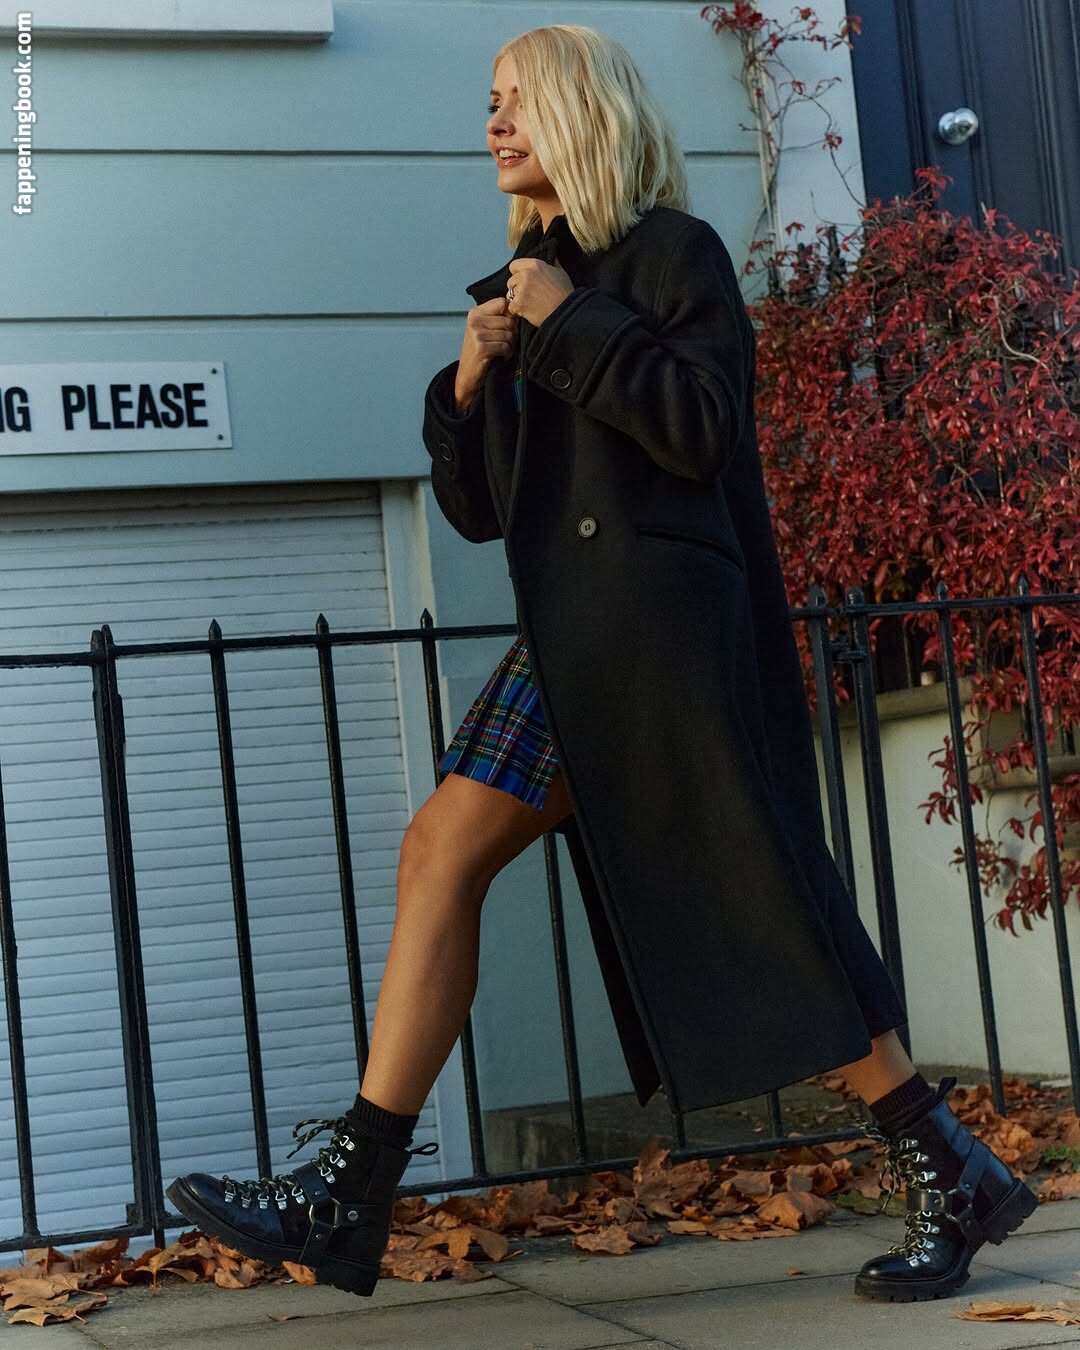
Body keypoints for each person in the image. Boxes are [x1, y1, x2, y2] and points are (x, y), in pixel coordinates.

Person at [167, 23, 1038, 1303]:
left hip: (663, 642)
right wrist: (468, 387)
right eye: (489, 102)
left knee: (758, 909)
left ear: (583, 112)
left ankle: (943, 1164)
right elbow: (483, 512)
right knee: (455, 852)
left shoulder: (671, 255)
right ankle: (350, 1193)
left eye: (516, 102)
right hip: (575, 640)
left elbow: (699, 430)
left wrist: (569, 322)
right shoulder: (522, 283)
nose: (493, 124)